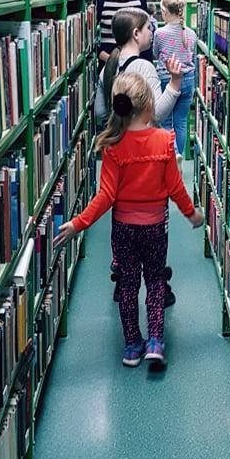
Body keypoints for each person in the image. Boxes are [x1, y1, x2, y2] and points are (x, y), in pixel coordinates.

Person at [55, 73, 203, 367]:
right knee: (156, 282)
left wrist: (78, 223)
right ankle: (155, 341)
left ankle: (133, 345)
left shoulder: (113, 147)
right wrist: (192, 214)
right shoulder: (164, 141)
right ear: (149, 104)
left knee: (127, 285)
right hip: (155, 228)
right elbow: (175, 187)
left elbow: (105, 196)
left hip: (123, 230)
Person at [96, 6, 182, 308]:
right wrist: (174, 85)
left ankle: (122, 275)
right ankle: (159, 283)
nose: (152, 32)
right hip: (146, 155)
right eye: (148, 28)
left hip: (121, 151)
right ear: (136, 34)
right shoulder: (144, 68)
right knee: (154, 224)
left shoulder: (111, 65)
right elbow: (157, 112)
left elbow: (102, 111)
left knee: (122, 216)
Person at [153, 0, 197, 157]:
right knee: (181, 121)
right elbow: (193, 55)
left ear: (164, 12)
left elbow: (156, 54)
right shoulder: (191, 33)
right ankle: (180, 157)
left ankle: (173, 154)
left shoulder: (160, 33)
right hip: (188, 79)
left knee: (165, 120)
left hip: (168, 78)